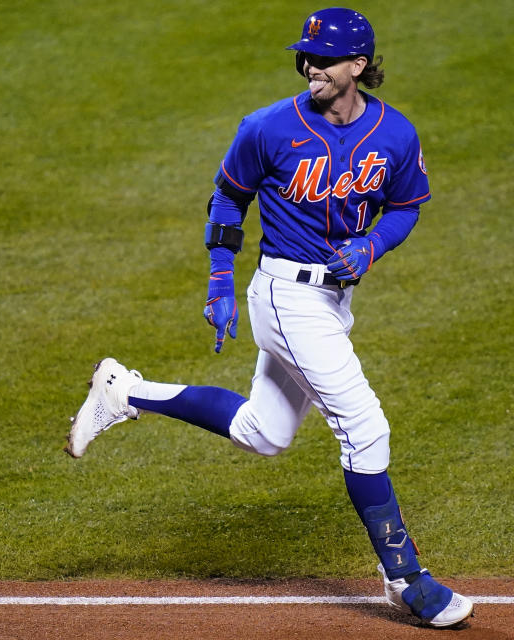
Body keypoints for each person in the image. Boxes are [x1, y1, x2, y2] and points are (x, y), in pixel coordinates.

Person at [65, 7, 474, 628]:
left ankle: (126, 391)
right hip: (285, 296)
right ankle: (407, 579)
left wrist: (372, 245)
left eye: (323, 58)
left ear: (358, 66)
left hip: (333, 301)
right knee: (366, 431)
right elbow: (228, 197)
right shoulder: (267, 128)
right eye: (304, 57)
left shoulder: (397, 135)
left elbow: (406, 206)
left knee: (264, 432)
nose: (309, 66)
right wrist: (221, 278)